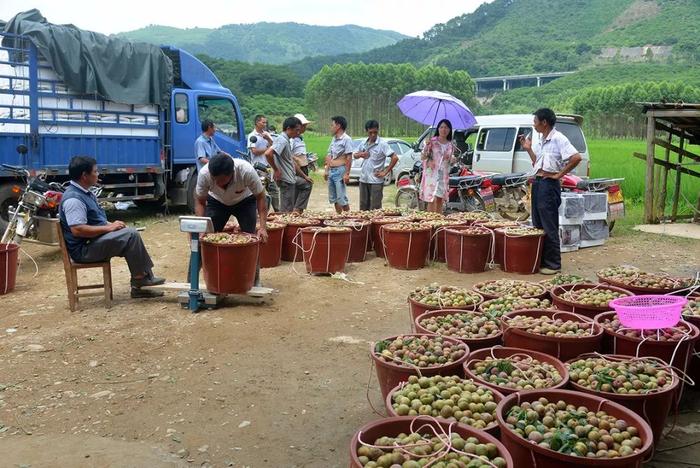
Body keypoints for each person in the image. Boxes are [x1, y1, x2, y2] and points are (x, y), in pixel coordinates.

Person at [59, 156, 165, 299]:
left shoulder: (85, 192)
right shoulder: (73, 199)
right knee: (130, 236)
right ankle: (140, 280)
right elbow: (78, 230)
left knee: (126, 233)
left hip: (92, 242)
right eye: (95, 171)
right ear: (84, 175)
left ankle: (140, 283)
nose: (98, 174)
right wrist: (109, 229)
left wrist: (112, 225)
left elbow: (96, 220)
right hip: (84, 250)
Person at [519, 108, 582, 275]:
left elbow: (576, 157)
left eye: (535, 121)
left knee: (549, 224)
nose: (534, 124)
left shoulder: (558, 138)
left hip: (549, 184)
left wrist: (559, 175)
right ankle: (540, 260)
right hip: (539, 182)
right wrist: (528, 149)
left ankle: (554, 264)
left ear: (544, 122)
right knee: (538, 223)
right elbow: (537, 164)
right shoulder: (541, 140)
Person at [194, 153, 269, 241]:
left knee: (250, 235)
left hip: (245, 201)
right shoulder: (204, 174)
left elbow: (260, 197)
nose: (217, 183)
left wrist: (263, 228)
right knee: (209, 235)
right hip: (217, 202)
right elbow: (200, 202)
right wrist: (201, 228)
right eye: (214, 179)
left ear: (232, 173)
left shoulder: (246, 171)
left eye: (221, 180)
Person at [264, 116, 313, 213]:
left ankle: (297, 210)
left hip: (291, 178)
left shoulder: (287, 140)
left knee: (307, 184)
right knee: (286, 211)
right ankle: (285, 225)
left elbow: (291, 162)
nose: (298, 133)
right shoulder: (281, 139)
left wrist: (304, 176)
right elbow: (268, 153)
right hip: (286, 180)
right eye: (297, 130)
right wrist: (276, 170)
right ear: (288, 128)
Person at [353, 120, 398, 211]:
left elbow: (395, 158)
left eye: (375, 132)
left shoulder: (382, 144)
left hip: (376, 181)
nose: (373, 135)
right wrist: (361, 154)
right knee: (363, 206)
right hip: (364, 179)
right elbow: (355, 155)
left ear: (378, 131)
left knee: (375, 207)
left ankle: (375, 224)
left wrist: (385, 172)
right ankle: (364, 224)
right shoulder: (363, 143)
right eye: (370, 132)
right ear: (367, 132)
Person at [420, 119, 456, 213]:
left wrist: (452, 160)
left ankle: (438, 221)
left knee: (440, 199)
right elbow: (423, 157)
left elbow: (450, 160)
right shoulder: (431, 142)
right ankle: (430, 222)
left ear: (449, 130)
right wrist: (426, 147)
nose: (444, 129)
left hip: (443, 175)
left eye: (446, 127)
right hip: (431, 174)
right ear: (438, 129)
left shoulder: (450, 145)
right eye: (441, 127)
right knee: (432, 199)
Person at [247, 114, 280, 212]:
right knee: (259, 192)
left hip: (269, 167)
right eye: (263, 122)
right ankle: (260, 213)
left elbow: (274, 146)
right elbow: (254, 151)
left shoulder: (267, 134)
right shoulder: (252, 136)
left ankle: (278, 211)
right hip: (259, 168)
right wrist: (267, 149)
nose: (265, 124)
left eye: (266, 122)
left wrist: (268, 139)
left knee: (274, 191)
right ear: (257, 123)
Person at [324, 116, 353, 213]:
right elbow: (329, 155)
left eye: (332, 125)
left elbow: (349, 157)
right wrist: (326, 170)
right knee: (334, 198)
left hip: (340, 170)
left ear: (338, 126)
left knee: (341, 198)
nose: (331, 127)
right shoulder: (334, 139)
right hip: (332, 171)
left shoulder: (346, 139)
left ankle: (348, 217)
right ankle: (339, 218)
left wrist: (347, 173)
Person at [291, 113, 314, 213]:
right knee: (304, 186)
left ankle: (298, 212)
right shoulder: (292, 139)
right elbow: (288, 155)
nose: (305, 127)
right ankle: (296, 211)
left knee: (300, 191)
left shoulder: (300, 138)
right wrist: (296, 159)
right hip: (297, 169)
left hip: (303, 167)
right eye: (304, 125)